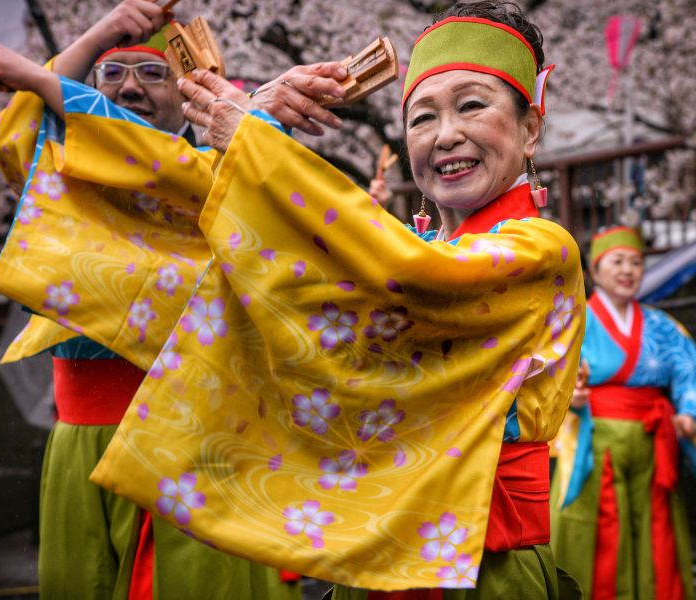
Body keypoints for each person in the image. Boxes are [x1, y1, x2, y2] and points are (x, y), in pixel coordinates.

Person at [79, 2, 585, 598]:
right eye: (422, 118)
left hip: (481, 568)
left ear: (529, 128)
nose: (446, 134)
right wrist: (262, 121)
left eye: (472, 105)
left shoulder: (540, 248)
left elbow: (408, 276)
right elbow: (290, 297)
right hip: (375, 562)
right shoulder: (409, 243)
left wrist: (258, 145)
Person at [0, 0, 351, 596]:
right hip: (81, 430)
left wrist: (41, 76)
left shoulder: (226, 158)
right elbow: (20, 131)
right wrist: (102, 32)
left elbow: (159, 163)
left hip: (196, 432)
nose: (130, 87)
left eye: (152, 73)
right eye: (112, 74)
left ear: (186, 89)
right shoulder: (63, 164)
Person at [549, 226, 696, 600]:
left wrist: (690, 412)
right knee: (600, 532)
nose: (628, 270)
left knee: (654, 529)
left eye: (636, 263)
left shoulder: (662, 327)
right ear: (595, 271)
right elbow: (550, 377)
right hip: (593, 442)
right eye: (617, 262)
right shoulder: (575, 321)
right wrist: (572, 398)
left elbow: (687, 370)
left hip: (652, 443)